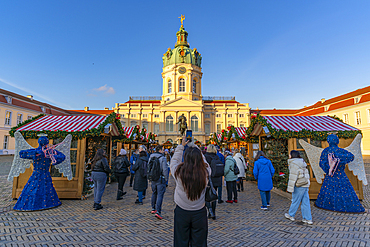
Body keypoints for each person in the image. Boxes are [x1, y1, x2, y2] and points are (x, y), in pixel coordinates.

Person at [171, 137, 211, 247]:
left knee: (180, 241)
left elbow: (174, 161)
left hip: (182, 211)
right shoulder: (205, 172)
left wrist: (181, 146)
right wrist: (195, 147)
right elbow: (206, 162)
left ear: (185, 157)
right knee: (199, 242)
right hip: (199, 211)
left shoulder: (178, 172)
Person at [13, 136, 66, 211]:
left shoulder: (50, 151)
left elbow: (62, 157)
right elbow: (22, 153)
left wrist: (53, 156)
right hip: (37, 174)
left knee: (47, 188)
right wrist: (36, 153)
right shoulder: (36, 150)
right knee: (33, 187)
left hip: (46, 174)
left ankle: (47, 203)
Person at [315, 134, 365, 213]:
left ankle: (329, 205)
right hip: (340, 175)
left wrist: (329, 169)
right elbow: (350, 156)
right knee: (344, 190)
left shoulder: (326, 151)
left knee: (330, 190)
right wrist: (339, 160)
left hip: (331, 175)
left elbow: (322, 163)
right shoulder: (340, 151)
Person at [285, 150, 313, 224]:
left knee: (295, 200)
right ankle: (308, 218)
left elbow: (293, 177)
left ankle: (291, 215)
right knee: (305, 202)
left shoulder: (293, 163)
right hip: (305, 184)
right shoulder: (302, 162)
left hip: (299, 184)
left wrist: (290, 188)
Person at [204, 144, 224, 220]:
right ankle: (213, 212)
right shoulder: (217, 157)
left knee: (206, 196)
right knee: (214, 196)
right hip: (217, 178)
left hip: (209, 179)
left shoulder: (206, 157)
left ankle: (210, 210)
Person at [149, 145, 168, 220]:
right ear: (160, 150)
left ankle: (153, 208)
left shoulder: (151, 157)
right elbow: (165, 169)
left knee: (154, 192)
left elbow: (148, 167)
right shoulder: (162, 158)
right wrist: (166, 179)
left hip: (153, 178)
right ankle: (158, 211)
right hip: (160, 178)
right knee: (160, 194)